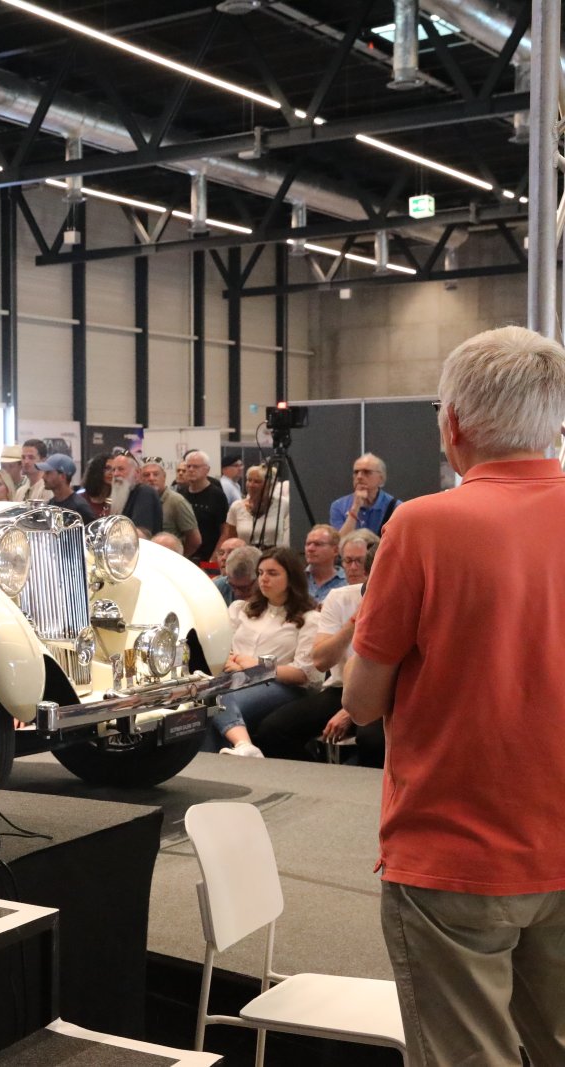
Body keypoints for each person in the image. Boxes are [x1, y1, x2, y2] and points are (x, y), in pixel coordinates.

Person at [345, 325, 565, 1067]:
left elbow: (362, 700)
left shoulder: (423, 524)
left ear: (455, 424)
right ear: (555, 423)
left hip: (454, 852)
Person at [251, 529, 379, 762]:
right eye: (348, 561)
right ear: (368, 573)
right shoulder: (339, 597)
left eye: (357, 561)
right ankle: (315, 774)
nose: (352, 567)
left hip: (381, 691)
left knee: (372, 740)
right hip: (339, 689)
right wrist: (354, 621)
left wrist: (349, 712)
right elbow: (320, 662)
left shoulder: (403, 598)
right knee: (273, 730)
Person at [206, 546, 321, 757]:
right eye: (260, 573)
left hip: (281, 685)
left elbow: (304, 674)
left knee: (219, 698)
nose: (263, 579)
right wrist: (234, 662)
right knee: (204, 704)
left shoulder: (309, 618)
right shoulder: (242, 609)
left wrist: (258, 667)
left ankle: (243, 746)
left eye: (272, 573)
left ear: (291, 578)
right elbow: (223, 648)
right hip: (235, 677)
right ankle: (236, 754)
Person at [219, 463, 289, 551]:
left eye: (257, 482)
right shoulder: (236, 507)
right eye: (249, 480)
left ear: (269, 485)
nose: (251, 485)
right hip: (245, 556)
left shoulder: (283, 504)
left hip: (273, 556)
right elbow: (230, 538)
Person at [141, 459, 202, 556]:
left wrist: (178, 558)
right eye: (146, 475)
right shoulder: (139, 501)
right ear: (140, 478)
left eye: (156, 474)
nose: (151, 478)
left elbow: (195, 540)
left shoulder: (177, 501)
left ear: (164, 477)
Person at [330, 452, 400, 534]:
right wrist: (355, 508)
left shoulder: (396, 507)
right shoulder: (339, 506)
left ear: (381, 478)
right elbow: (340, 540)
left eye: (366, 472)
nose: (359, 477)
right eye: (356, 472)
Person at [178, 450, 229, 562]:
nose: (191, 470)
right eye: (188, 466)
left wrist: (215, 557)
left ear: (207, 470)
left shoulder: (217, 495)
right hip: (185, 556)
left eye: (196, 467)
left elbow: (225, 530)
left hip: (208, 557)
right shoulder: (181, 494)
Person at [105, 450, 162, 535]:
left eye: (121, 469)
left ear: (137, 473)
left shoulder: (145, 493)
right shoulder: (122, 495)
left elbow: (140, 533)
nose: (116, 474)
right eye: (113, 470)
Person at [37, 453, 95, 522]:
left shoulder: (79, 507)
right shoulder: (50, 504)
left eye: (48, 473)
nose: (43, 477)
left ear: (62, 476)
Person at [302, 523, 346, 602]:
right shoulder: (296, 580)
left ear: (335, 550)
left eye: (318, 544)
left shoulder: (347, 582)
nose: (310, 549)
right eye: (308, 544)